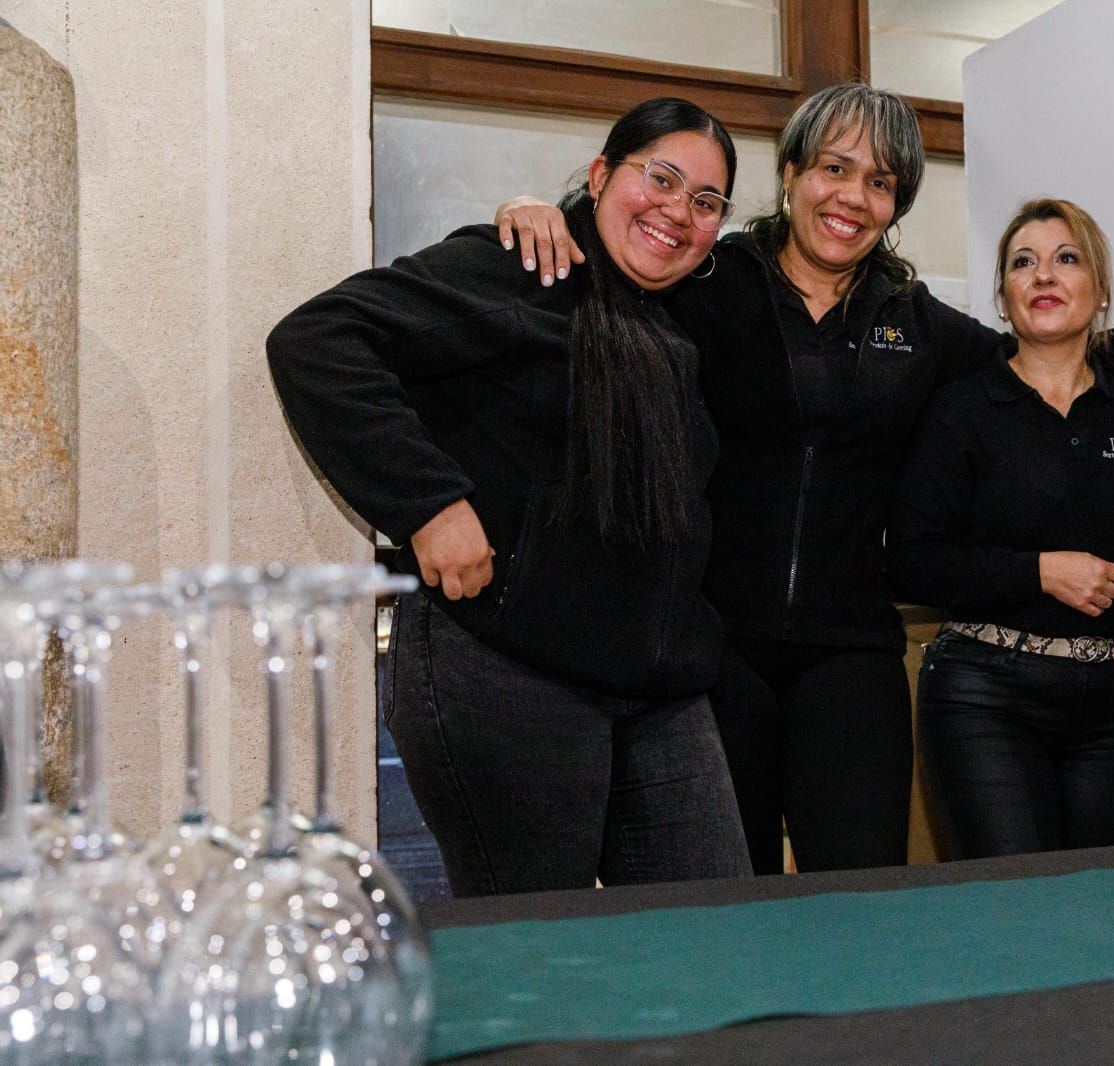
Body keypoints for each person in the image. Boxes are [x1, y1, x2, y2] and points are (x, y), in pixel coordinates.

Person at [493, 83, 1114, 875]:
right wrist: (543, 211)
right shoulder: (708, 281)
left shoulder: (916, 322)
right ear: (791, 173)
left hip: (850, 656)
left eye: (880, 181)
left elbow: (1039, 346)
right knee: (724, 900)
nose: (852, 196)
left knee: (862, 902)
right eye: (834, 168)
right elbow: (612, 270)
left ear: (896, 204)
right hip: (711, 649)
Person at [265, 98, 753, 895]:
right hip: (505, 671)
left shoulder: (688, 310)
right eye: (660, 178)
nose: (677, 211)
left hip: (661, 689)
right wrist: (428, 505)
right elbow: (318, 341)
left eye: (706, 202)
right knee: (537, 947)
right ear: (601, 175)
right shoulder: (522, 266)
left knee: (712, 932)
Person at [887, 198, 1114, 858]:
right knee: (1015, 900)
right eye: (1023, 263)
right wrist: (1039, 571)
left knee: (1096, 901)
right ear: (1003, 297)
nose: (1043, 275)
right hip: (985, 695)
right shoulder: (961, 410)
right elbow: (912, 562)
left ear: (1101, 290)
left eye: (1066, 258)